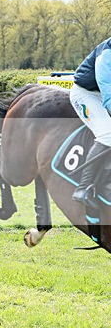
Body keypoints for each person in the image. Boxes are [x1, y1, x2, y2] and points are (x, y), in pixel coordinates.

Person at [70, 36, 111, 208]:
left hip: (102, 93)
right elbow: (108, 95)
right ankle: (83, 187)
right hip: (86, 94)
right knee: (108, 132)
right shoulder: (106, 55)